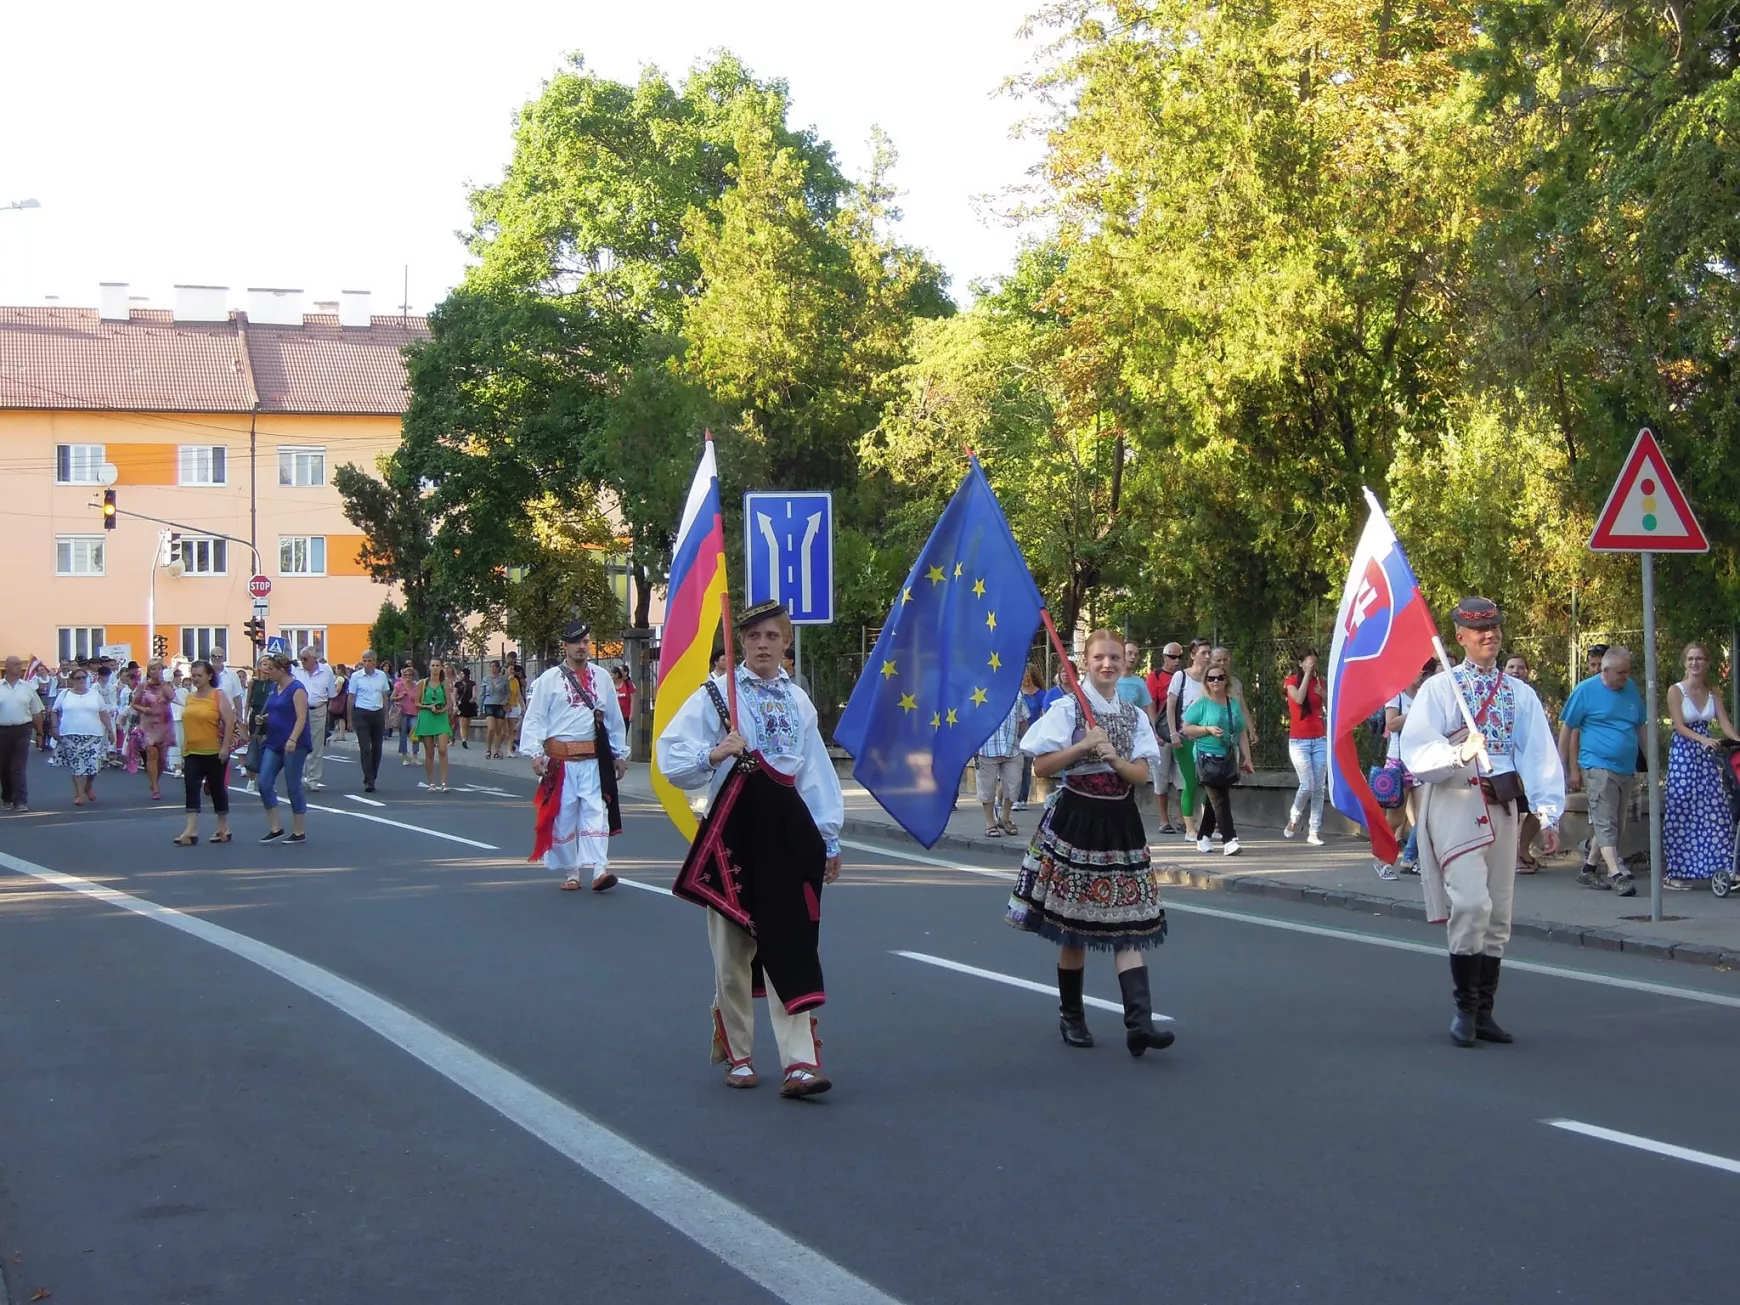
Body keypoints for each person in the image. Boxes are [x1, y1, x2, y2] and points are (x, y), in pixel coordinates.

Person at [656, 599, 845, 1098]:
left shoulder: (798, 701)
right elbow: (671, 756)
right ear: (740, 643)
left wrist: (828, 839)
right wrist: (713, 752)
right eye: (754, 637)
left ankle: (800, 1063)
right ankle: (739, 1052)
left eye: (772, 636)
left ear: (786, 643)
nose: (763, 644)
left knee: (792, 943)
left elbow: (816, 774)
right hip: (733, 835)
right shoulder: (717, 695)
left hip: (787, 833)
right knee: (733, 950)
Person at [1400, 597, 1565, 1048]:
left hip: (1503, 805)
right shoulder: (1441, 689)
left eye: (1493, 626)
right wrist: (1456, 753)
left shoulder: (1518, 693)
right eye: (1478, 630)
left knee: (1499, 912)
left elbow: (1538, 754)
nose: (1488, 634)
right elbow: (1416, 750)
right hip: (1456, 801)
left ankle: (1484, 1011)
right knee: (1471, 904)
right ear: (1460, 637)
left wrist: (1549, 813)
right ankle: (1463, 1009)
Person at [1007, 629, 1173, 1058]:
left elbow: (1141, 775)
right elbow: (1041, 766)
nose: (1107, 664)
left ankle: (1140, 1024)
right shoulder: (1066, 708)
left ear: (1125, 663)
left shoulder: (1135, 716)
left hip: (1121, 823)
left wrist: (1114, 758)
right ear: (1085, 660)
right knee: (1075, 928)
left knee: (1129, 923)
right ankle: (1072, 1014)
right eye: (1099, 657)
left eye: (1115, 658)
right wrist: (1082, 745)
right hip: (1077, 819)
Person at [522, 622, 629, 892]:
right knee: (563, 817)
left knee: (596, 814)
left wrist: (619, 753)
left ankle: (599, 870)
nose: (582, 646)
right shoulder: (548, 680)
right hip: (560, 764)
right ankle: (572, 872)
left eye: (585, 641)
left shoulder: (602, 677)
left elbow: (614, 720)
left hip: (594, 762)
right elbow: (535, 718)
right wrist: (535, 753)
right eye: (576, 642)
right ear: (565, 646)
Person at [1559, 645, 1646, 897]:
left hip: (1625, 767)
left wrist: (1650, 759)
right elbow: (1568, 728)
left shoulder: (1630, 689)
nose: (1626, 677)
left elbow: (1641, 725)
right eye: (1621, 673)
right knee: (1606, 821)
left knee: (1615, 823)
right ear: (1605, 670)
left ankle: (1588, 869)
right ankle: (1616, 873)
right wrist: (1562, 765)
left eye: (1628, 672)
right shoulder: (1585, 690)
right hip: (1597, 765)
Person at [1664, 643, 1739, 889]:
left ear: (1707, 663)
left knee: (1713, 809)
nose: (1695, 663)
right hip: (1685, 754)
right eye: (1690, 659)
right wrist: (1703, 739)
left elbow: (1725, 724)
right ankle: (1676, 872)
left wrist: (1737, 741)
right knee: (1681, 808)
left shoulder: (1712, 691)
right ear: (1684, 663)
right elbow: (1679, 725)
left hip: (1707, 757)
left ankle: (1718, 866)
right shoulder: (1676, 691)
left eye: (1700, 659)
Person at [1182, 661, 1255, 855]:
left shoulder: (1233, 703)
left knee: (1218, 800)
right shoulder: (1202, 703)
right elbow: (1187, 728)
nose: (1216, 681)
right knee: (1220, 799)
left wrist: (1247, 758)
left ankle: (1203, 836)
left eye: (1220, 678)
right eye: (1211, 678)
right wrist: (1207, 729)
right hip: (1206, 757)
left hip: (1227, 756)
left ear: (1226, 681)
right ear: (1206, 681)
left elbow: (1240, 733)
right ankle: (1229, 839)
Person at [1376, 663, 1432, 880]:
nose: (1423, 676)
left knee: (1425, 815)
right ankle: (1382, 860)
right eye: (1421, 672)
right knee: (1396, 819)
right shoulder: (1396, 696)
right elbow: (1392, 724)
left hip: (1420, 761)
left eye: (1427, 673)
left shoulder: (1425, 696)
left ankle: (1411, 860)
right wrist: (1414, 713)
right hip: (1399, 762)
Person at [172, 660, 236, 845]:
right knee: (191, 788)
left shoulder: (218, 695)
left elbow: (229, 721)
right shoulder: (190, 697)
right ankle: (191, 830)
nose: (196, 679)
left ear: (209, 676)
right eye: (193, 675)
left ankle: (223, 827)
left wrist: (225, 747)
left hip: (214, 751)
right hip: (192, 750)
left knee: (216, 789)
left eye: (199, 675)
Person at [255, 653, 310, 844]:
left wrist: (293, 739)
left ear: (281, 670)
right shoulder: (273, 688)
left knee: (293, 786)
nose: (267, 672)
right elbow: (278, 710)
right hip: (274, 740)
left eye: (271, 669)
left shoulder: (297, 689)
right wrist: (265, 718)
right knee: (264, 782)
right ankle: (275, 827)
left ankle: (299, 830)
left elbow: (301, 717)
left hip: (294, 743)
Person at [1166, 640, 1212, 839]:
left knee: (1209, 783)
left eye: (1209, 652)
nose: (1208, 656)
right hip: (1184, 736)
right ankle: (1189, 828)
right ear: (1193, 655)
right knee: (1191, 782)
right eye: (1203, 652)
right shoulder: (1181, 676)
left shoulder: (1211, 678)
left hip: (1205, 736)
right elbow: (1170, 706)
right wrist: (1172, 732)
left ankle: (1205, 827)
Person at [1503, 653, 1543, 873]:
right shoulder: (1497, 694)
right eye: (1511, 667)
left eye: (1520, 667)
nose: (1516, 671)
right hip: (1504, 765)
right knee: (1508, 812)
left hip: (1528, 764)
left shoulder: (1531, 697)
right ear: (1504, 670)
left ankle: (1522, 851)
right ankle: (1511, 858)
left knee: (1537, 808)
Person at [1283, 647, 1327, 845]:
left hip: (1319, 738)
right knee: (1307, 784)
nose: (1312, 667)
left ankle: (1314, 831)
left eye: (1314, 663)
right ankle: (1294, 817)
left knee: (1319, 788)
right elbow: (1299, 699)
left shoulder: (1320, 682)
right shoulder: (1291, 681)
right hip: (1299, 741)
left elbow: (1329, 709)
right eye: (1308, 663)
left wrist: (1323, 694)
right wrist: (1307, 675)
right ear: (1301, 664)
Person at [55, 666, 112, 807]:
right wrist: (54, 728)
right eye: (77, 678)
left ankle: (89, 786)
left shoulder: (94, 694)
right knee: (76, 765)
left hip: (93, 734)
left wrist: (110, 731)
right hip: (70, 734)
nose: (81, 680)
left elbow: (103, 713)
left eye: (83, 678)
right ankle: (79, 793)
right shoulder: (65, 694)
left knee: (93, 766)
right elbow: (54, 711)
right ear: (72, 680)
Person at [975, 695, 1028, 837]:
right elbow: (970, 719)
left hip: (1012, 748)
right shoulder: (979, 690)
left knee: (1014, 784)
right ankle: (989, 822)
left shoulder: (1016, 693)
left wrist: (1028, 742)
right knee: (987, 787)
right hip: (987, 748)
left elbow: (1023, 720)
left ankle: (1005, 818)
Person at [0, 656, 47, 811]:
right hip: (2, 730)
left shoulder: (27, 687)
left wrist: (39, 734)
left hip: (22, 730)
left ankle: (20, 800)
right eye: (15, 664)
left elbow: (36, 712)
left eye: (20, 664)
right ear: (6, 667)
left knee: (18, 767)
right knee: (4, 767)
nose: (19, 667)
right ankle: (7, 796)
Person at [1146, 644, 1182, 833]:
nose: (1176, 661)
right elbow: (1150, 703)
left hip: (1180, 731)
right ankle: (1163, 820)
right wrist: (1155, 731)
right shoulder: (1155, 676)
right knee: (1161, 778)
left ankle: (1182, 817)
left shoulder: (1182, 677)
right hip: (1162, 732)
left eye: (1179, 657)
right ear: (1164, 657)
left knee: (1183, 778)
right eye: (1172, 657)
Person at [347, 650, 394, 792]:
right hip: (361, 713)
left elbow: (385, 696)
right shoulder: (356, 677)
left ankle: (373, 774)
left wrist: (386, 717)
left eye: (369, 661)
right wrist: (350, 719)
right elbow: (351, 697)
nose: (366, 663)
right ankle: (369, 779)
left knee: (377, 748)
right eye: (364, 660)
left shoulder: (381, 676)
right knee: (365, 748)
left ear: (374, 662)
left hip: (377, 713)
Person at [292, 647, 337, 790]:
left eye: (305, 659)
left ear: (314, 659)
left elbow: (331, 693)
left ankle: (313, 779)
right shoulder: (296, 671)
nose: (302, 661)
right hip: (298, 711)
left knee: (316, 745)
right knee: (297, 743)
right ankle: (297, 775)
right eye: (301, 658)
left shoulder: (326, 671)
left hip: (318, 709)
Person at [130, 661, 175, 801]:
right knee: (152, 753)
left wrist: (162, 683)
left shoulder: (166, 685)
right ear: (149, 671)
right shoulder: (143, 686)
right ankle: (155, 786)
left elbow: (172, 697)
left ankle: (155, 778)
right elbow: (134, 703)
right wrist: (144, 710)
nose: (157, 671)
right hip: (148, 723)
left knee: (162, 758)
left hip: (164, 722)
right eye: (153, 669)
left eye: (159, 669)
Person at [416, 659, 457, 792]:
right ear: (429, 667)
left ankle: (444, 783)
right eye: (433, 665)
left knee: (443, 749)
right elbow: (417, 703)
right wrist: (428, 707)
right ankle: (432, 783)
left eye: (437, 666)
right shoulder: (423, 683)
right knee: (430, 752)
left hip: (440, 718)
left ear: (441, 668)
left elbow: (449, 703)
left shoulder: (444, 683)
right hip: (427, 716)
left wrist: (442, 709)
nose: (435, 668)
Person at [1015, 663, 1047, 811]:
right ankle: (1012, 797)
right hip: (1016, 735)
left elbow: (1044, 716)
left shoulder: (1041, 695)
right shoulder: (1017, 694)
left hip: (1032, 734)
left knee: (1026, 768)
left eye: (1025, 674)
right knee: (1015, 767)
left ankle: (1022, 799)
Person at [394, 664, 422, 765]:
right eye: (406, 675)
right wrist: (400, 697)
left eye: (410, 675)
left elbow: (420, 699)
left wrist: (417, 700)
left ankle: (415, 756)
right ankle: (405, 757)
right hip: (403, 712)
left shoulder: (417, 686)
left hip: (414, 713)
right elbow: (392, 698)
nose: (408, 677)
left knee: (415, 734)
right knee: (403, 736)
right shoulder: (399, 685)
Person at [481, 660, 509, 758]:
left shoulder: (504, 679)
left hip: (500, 705)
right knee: (491, 728)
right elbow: (482, 694)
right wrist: (480, 708)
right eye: (491, 666)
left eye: (494, 666)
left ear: (498, 668)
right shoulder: (486, 679)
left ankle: (496, 750)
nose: (492, 668)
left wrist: (506, 700)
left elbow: (508, 692)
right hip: (489, 704)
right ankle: (488, 749)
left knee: (498, 729)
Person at [328, 663, 350, 742]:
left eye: (337, 669)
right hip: (343, 698)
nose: (335, 670)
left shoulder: (340, 678)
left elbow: (338, 689)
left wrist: (332, 693)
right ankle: (341, 734)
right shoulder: (345, 678)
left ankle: (342, 735)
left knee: (340, 717)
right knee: (340, 717)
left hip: (340, 699)